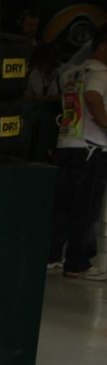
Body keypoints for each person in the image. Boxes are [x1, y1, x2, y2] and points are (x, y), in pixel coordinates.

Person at [48, 24, 107, 280]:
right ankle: (78, 262)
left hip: (68, 143)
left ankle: (52, 256)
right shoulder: (100, 71)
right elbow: (93, 97)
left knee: (62, 206)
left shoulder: (72, 72)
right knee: (87, 208)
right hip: (92, 148)